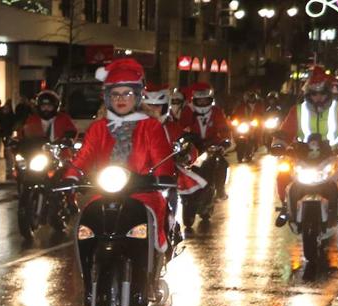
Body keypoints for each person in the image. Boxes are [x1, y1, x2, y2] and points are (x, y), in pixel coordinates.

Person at [65, 59, 175, 251]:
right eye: (115, 94)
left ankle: (153, 260)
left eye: (127, 93)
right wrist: (71, 175)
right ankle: (89, 267)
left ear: (138, 96)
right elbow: (85, 155)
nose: (120, 99)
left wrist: (163, 175)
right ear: (107, 98)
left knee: (153, 217)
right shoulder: (98, 128)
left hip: (142, 191)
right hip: (104, 191)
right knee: (86, 224)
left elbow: (161, 156)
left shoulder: (151, 126)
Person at [272, 65, 338, 228]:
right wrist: (279, 145)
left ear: (328, 92)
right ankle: (286, 206)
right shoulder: (297, 111)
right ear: (308, 94)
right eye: (314, 93)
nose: (318, 97)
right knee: (283, 174)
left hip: (334, 154)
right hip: (302, 155)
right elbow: (285, 131)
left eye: (322, 93)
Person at [143, 82, 204, 239]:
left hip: (164, 178)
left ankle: (170, 232)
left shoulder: (172, 127)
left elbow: (188, 147)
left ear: (165, 107)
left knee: (170, 202)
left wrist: (186, 154)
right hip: (137, 177)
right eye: (149, 106)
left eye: (157, 106)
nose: (153, 110)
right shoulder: (133, 127)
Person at [179, 82, 231, 199]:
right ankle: (183, 190)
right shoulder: (188, 111)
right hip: (193, 147)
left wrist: (224, 142)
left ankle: (220, 190)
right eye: (200, 100)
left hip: (212, 146)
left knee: (222, 163)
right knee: (181, 167)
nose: (202, 103)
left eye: (205, 100)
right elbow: (181, 129)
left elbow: (224, 128)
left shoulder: (216, 111)